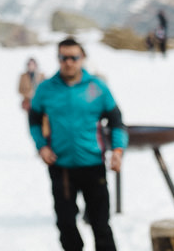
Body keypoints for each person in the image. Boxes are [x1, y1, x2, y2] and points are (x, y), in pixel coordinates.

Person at [28, 38, 127, 251]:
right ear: (58, 58)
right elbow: (34, 119)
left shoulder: (97, 87)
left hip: (93, 164)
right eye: (64, 57)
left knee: (100, 224)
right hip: (61, 166)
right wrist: (41, 146)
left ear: (82, 59)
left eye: (74, 57)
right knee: (65, 223)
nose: (69, 62)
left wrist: (118, 150)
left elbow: (117, 121)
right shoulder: (46, 89)